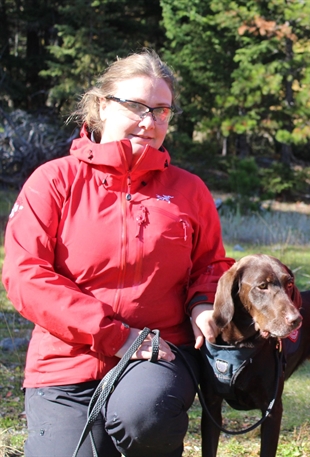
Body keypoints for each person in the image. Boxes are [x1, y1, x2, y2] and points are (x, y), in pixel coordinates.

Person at [2, 49, 232, 457]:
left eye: (162, 110)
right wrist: (118, 336)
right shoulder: (53, 181)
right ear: (102, 106)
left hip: (159, 353)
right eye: (136, 106)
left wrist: (201, 304)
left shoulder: (189, 189)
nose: (149, 122)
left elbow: (211, 265)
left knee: (145, 419)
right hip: (65, 360)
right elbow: (26, 276)